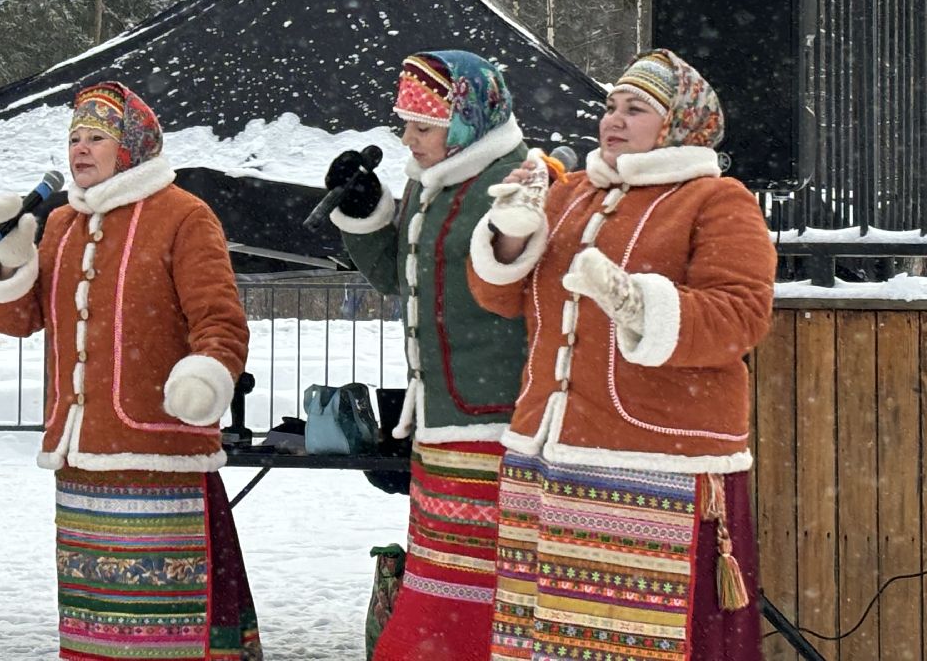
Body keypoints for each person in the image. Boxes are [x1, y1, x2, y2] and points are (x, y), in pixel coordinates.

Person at [468, 48, 775, 661]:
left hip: (658, 455)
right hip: (551, 449)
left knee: (641, 638)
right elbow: (499, 299)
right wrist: (510, 231)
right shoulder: (572, 193)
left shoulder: (716, 199)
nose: (614, 118)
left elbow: (742, 316)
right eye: (611, 104)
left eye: (636, 108)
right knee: (553, 637)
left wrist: (637, 304)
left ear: (678, 125)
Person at [0, 80, 262, 661]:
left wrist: (205, 374)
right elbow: (19, 320)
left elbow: (221, 321)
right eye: (74, 138)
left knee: (165, 634)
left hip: (158, 457)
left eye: (96, 140)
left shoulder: (184, 215)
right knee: (94, 630)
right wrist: (12, 256)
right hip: (81, 462)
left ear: (130, 147)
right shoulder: (59, 224)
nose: (79, 150)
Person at [326, 50, 530, 661]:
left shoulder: (519, 182)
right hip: (440, 421)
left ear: (467, 121)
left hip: (503, 421)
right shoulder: (429, 184)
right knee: (443, 584)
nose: (408, 140)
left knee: (491, 590)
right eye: (405, 125)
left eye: (423, 126)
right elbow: (397, 275)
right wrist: (366, 216)